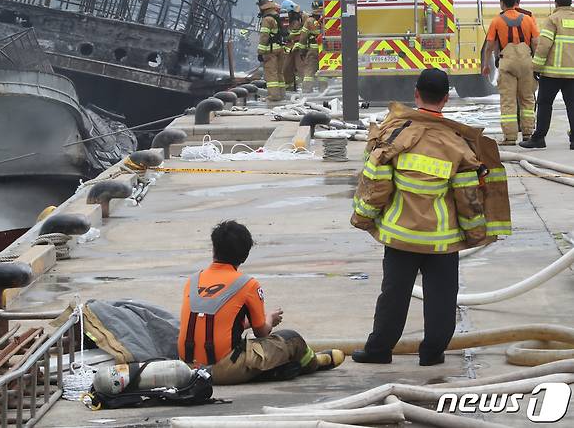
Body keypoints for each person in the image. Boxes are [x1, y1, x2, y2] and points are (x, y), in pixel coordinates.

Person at [350, 69, 510, 366]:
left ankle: (379, 351)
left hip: (401, 237)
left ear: (416, 94)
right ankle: (432, 353)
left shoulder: (394, 134)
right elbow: (468, 200)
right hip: (442, 241)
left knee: (393, 297)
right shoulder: (459, 145)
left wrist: (364, 217)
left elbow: (377, 185)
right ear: (446, 99)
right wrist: (475, 234)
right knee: (442, 300)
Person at [178, 221, 344, 385]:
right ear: (244, 256)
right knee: (291, 339)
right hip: (223, 369)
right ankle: (313, 362)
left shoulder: (192, 281)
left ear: (214, 249)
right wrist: (269, 319)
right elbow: (262, 333)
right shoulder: (247, 284)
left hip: (188, 368)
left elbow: (217, 323)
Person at [483, 0, 539, 145]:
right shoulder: (528, 19)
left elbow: (489, 46)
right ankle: (528, 134)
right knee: (527, 99)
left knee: (508, 101)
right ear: (516, 1)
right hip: (526, 62)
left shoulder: (497, 21)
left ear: (501, 2)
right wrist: (537, 64)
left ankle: (510, 137)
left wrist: (486, 65)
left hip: (506, 62)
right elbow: (536, 42)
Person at [521, 0, 574, 150]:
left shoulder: (553, 19)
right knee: (572, 105)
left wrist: (536, 67)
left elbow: (544, 45)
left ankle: (539, 138)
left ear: (556, 3)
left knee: (544, 104)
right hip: (572, 74)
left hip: (552, 73)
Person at [256, 0, 285, 102]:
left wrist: (260, 52)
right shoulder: (277, 16)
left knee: (271, 74)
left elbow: (264, 36)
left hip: (270, 51)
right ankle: (281, 94)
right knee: (279, 73)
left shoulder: (267, 19)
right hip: (280, 48)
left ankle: (273, 96)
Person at [299, 0, 324, 93]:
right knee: (323, 71)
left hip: (312, 50)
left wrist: (302, 51)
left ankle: (306, 90)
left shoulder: (309, 21)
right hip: (325, 50)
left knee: (309, 71)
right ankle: (323, 90)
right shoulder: (327, 20)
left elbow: (303, 37)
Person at [281, 0, 307, 91]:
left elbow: (309, 31)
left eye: (288, 13)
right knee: (286, 68)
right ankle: (289, 88)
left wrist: (302, 44)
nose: (287, 16)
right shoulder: (284, 18)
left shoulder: (303, 17)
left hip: (300, 46)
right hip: (288, 47)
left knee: (301, 68)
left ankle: (306, 89)